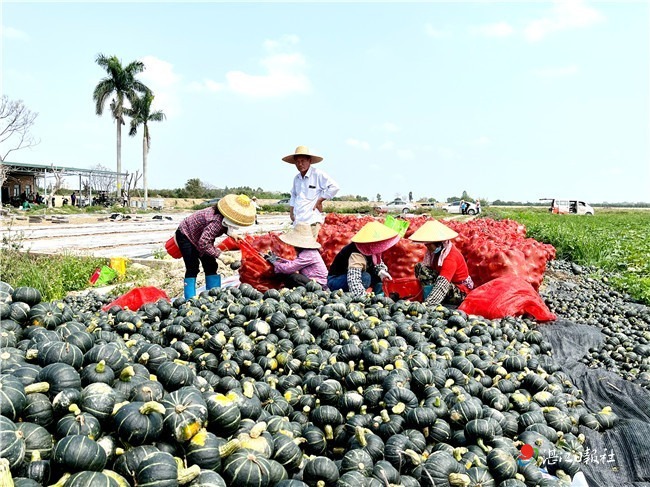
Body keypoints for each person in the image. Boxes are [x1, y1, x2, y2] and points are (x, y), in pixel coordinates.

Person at [176, 194, 256, 299]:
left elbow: (224, 226)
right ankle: (189, 299)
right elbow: (204, 243)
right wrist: (221, 256)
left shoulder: (223, 217)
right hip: (186, 235)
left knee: (211, 264)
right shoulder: (216, 222)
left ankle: (213, 294)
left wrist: (232, 234)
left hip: (201, 237)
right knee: (192, 267)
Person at [409, 220, 474, 307]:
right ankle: (428, 297)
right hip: (450, 285)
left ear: (438, 244)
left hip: (460, 292)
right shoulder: (436, 254)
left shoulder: (450, 257)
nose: (427, 248)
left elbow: (442, 283)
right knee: (420, 267)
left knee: (425, 272)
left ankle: (431, 300)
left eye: (429, 245)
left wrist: (428, 304)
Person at [327, 221, 399, 296]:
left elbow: (378, 264)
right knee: (365, 277)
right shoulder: (356, 253)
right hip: (336, 280)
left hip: (351, 276)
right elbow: (354, 280)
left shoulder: (372, 249)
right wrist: (363, 298)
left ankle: (378, 296)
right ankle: (349, 295)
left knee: (379, 277)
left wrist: (381, 271)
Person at [283, 145, 339, 238]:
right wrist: (291, 212)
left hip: (311, 221)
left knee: (310, 249)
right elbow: (293, 195)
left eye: (303, 161)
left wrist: (320, 200)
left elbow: (335, 187)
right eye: (297, 162)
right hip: (299, 221)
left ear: (309, 161)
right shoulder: (296, 179)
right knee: (299, 250)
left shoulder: (317, 175)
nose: (300, 164)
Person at [264, 223, 328, 290]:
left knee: (294, 277)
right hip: (311, 280)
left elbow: (289, 268)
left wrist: (275, 263)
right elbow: (294, 263)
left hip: (318, 285)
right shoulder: (307, 252)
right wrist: (279, 260)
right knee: (287, 275)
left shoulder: (309, 253)